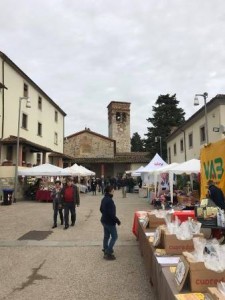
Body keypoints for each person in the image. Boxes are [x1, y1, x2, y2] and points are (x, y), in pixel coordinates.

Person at [100, 185, 121, 260]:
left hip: (104, 220)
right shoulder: (109, 200)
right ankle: (108, 252)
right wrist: (117, 220)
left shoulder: (104, 198)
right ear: (110, 191)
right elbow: (111, 214)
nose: (114, 192)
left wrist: (105, 214)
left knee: (106, 236)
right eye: (113, 190)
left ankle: (105, 248)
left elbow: (101, 209)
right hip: (109, 222)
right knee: (114, 236)